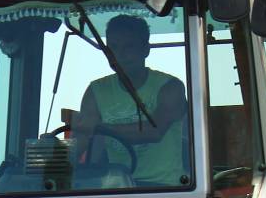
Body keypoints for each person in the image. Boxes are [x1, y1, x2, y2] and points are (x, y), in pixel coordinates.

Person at [71, 14, 188, 186]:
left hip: (164, 189)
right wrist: (51, 157)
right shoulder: (96, 90)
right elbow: (82, 139)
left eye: (129, 47)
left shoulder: (170, 87)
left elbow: (154, 132)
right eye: (113, 48)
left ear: (145, 49)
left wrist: (98, 128)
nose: (120, 55)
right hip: (117, 187)